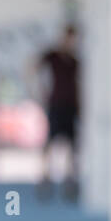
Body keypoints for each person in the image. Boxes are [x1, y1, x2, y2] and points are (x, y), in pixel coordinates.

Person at [34, 24, 80, 200]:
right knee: (51, 143)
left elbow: (78, 85)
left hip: (70, 106)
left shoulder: (75, 60)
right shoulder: (52, 56)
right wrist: (41, 91)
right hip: (56, 105)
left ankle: (69, 179)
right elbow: (33, 68)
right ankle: (45, 176)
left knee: (71, 145)